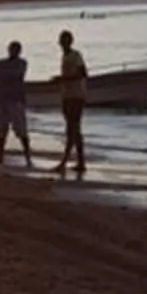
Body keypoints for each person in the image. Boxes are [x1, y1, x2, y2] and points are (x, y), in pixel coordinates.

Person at [53, 29, 89, 181]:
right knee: (75, 129)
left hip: (76, 96)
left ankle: (64, 162)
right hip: (67, 96)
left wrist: (63, 79)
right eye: (62, 41)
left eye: (66, 40)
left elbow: (83, 73)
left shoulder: (76, 55)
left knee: (72, 129)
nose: (64, 43)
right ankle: (80, 162)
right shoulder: (65, 56)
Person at [0, 39, 32, 166]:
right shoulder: (2, 63)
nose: (14, 52)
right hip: (4, 99)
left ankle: (28, 158)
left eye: (16, 50)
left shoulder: (21, 63)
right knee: (1, 131)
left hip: (15, 100)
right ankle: (0, 156)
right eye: (12, 49)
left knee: (21, 131)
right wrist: (8, 77)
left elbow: (14, 75)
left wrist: (6, 76)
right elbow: (1, 76)